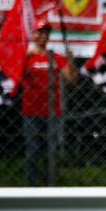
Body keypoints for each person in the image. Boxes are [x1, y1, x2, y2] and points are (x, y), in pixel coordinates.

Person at [20, 19, 77, 187]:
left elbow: (71, 80)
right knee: (32, 151)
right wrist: (24, 60)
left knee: (50, 151)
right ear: (33, 34)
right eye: (40, 32)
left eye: (46, 32)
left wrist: (71, 62)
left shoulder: (57, 57)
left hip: (53, 111)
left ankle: (49, 186)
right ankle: (31, 187)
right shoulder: (27, 57)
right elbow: (15, 78)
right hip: (30, 111)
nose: (43, 35)